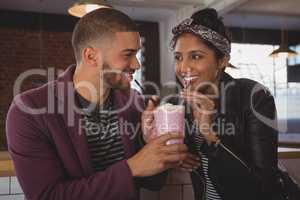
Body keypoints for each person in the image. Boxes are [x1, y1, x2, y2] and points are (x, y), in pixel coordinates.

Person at [6, 8, 198, 200]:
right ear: (91, 56)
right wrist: (133, 167)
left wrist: (149, 145)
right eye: (128, 54)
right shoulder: (29, 111)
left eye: (137, 55)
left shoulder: (135, 102)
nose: (136, 65)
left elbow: (152, 183)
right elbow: (47, 196)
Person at [169, 8, 280, 200]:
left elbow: (264, 188)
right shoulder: (180, 104)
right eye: (178, 57)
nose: (183, 68)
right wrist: (179, 157)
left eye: (196, 56)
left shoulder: (254, 98)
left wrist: (210, 135)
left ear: (222, 61)